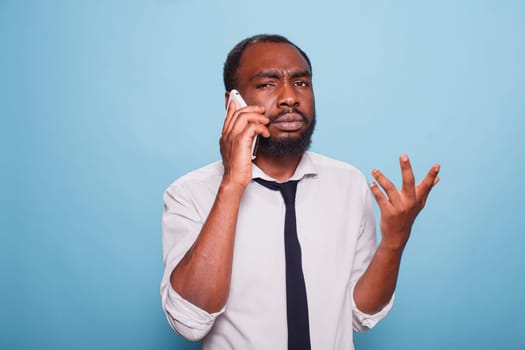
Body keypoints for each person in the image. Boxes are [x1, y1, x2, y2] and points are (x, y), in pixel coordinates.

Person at [160, 34, 440, 349]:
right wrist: (231, 185)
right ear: (233, 104)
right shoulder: (189, 193)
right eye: (267, 84)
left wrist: (394, 243)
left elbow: (360, 315)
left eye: (301, 83)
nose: (289, 98)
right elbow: (189, 322)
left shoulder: (347, 183)